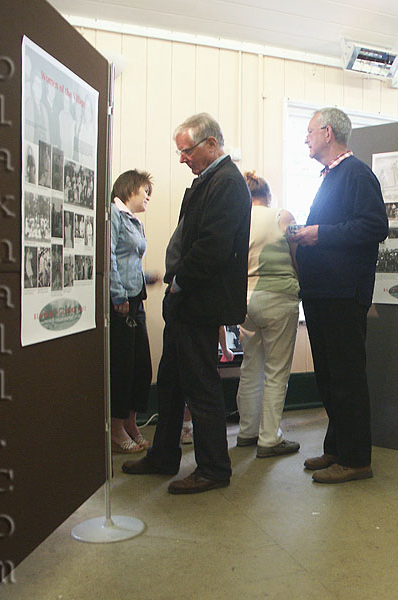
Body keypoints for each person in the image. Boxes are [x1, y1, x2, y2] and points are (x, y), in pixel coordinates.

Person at [122, 113, 251, 495]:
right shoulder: (210, 180)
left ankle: (213, 468)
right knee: (172, 383)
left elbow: (212, 246)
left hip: (198, 300)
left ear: (211, 143)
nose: (181, 158)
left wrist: (179, 282)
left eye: (186, 150)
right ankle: (164, 455)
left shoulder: (226, 182)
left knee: (200, 385)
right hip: (189, 300)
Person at [289, 107, 388, 483]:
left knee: (346, 378)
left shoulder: (356, 173)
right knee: (330, 378)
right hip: (324, 293)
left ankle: (356, 459)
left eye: (310, 131)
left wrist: (319, 233)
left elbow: (375, 226)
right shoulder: (333, 176)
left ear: (328, 133)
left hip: (343, 294)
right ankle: (336, 448)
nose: (306, 138)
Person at [235, 171, 301, 458]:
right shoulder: (281, 216)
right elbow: (298, 256)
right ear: (267, 195)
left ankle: (247, 432)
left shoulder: (237, 219)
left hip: (245, 300)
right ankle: (269, 438)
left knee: (250, 366)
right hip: (278, 297)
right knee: (276, 371)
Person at [109, 169, 158, 453]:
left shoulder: (133, 221)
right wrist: (118, 295)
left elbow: (129, 262)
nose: (148, 197)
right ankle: (116, 429)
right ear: (130, 188)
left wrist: (147, 277)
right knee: (123, 366)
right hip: (121, 303)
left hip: (135, 299)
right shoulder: (114, 215)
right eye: (145, 191)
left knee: (140, 366)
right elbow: (110, 256)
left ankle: (131, 423)